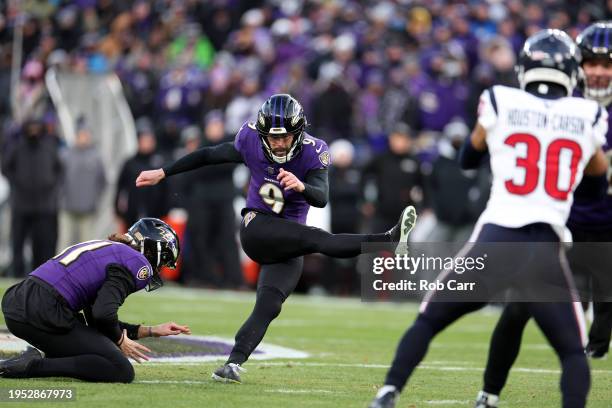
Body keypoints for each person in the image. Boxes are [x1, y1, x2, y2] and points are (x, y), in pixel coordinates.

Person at [369, 30, 609, 408]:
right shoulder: (589, 114)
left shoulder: (501, 100)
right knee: (571, 354)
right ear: (572, 73)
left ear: (525, 69)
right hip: (544, 251)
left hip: (494, 242)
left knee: (427, 321)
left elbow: (468, 157)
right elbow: (596, 187)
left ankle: (388, 392)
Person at [135, 93, 417, 383]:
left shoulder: (313, 150)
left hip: (289, 241)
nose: (279, 143)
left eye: (285, 137)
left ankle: (232, 364)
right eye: (273, 137)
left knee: (269, 306)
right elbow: (210, 155)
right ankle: (388, 239)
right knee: (318, 239)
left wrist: (302, 186)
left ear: (299, 132)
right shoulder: (249, 140)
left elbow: (321, 196)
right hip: (257, 228)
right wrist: (164, 171)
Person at [474, 22, 612, 408]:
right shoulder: (561, 105)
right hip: (560, 227)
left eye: (608, 64)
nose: (599, 71)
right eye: (591, 62)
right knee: (520, 306)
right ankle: (489, 393)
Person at [0, 218, 190, 382]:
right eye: (162, 260)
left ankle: (37, 356)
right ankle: (33, 365)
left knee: (93, 344)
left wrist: (149, 331)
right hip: (44, 310)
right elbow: (103, 314)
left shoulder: (110, 249)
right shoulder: (137, 263)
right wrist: (120, 339)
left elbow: (97, 322)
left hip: (21, 301)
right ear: (151, 250)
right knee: (119, 369)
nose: (158, 270)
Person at [1, 119, 62, 277]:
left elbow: (60, 169)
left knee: (42, 244)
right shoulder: (17, 147)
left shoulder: (49, 148)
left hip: (44, 206)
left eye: (37, 128)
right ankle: (17, 274)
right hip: (21, 205)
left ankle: (41, 275)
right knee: (18, 242)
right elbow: (6, 167)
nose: (34, 131)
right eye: (31, 128)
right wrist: (17, 182)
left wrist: (50, 185)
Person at [59, 119, 107, 249]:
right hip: (67, 208)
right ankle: (59, 270)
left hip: (87, 209)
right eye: (81, 135)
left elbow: (102, 181)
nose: (83, 138)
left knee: (86, 247)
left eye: (86, 135)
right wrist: (61, 197)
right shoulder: (65, 155)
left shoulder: (96, 157)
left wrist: (94, 199)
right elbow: (59, 179)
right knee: (64, 244)